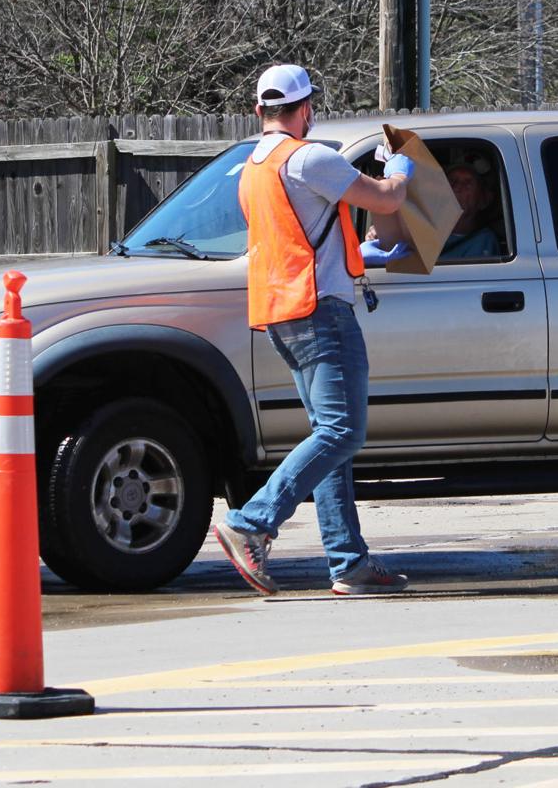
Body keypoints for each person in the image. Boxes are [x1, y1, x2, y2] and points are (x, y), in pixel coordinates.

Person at [212, 63, 412, 597]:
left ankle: (350, 564)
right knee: (342, 432)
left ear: (259, 110)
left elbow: (299, 235)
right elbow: (388, 199)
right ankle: (249, 522)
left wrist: (357, 251)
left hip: (281, 311)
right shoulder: (310, 157)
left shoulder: (253, 165)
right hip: (319, 313)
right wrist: (403, 167)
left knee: (331, 438)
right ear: (306, 109)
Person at [360, 161, 501, 264]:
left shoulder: (484, 241)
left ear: (484, 200)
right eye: (452, 181)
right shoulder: (419, 229)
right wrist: (378, 238)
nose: (457, 187)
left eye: (468, 183)